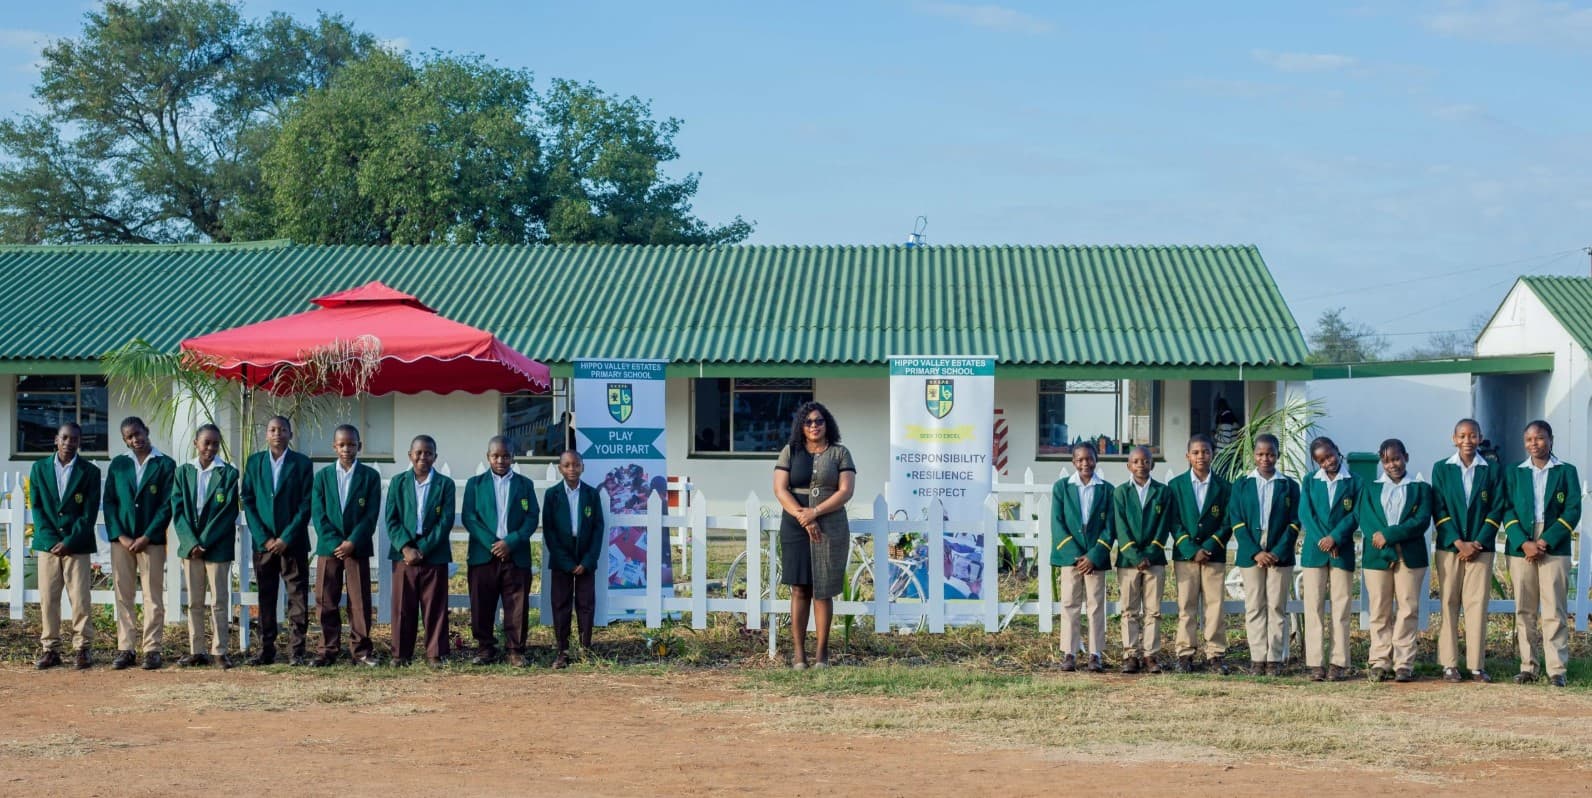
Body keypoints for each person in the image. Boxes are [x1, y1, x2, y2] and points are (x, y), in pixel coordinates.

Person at [772, 401, 856, 670]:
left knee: (823, 588)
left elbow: (845, 491)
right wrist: (803, 517)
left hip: (830, 524)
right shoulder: (790, 452)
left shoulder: (840, 453)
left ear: (826, 424)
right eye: (808, 422)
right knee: (799, 588)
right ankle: (799, 654)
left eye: (819, 421)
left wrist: (816, 512)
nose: (814, 426)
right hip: (795, 525)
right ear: (801, 426)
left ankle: (822, 654)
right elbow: (780, 489)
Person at [1503, 420, 1579, 687]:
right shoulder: (1514, 472)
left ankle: (1556, 670)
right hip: (1521, 544)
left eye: (1540, 438)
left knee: (1554, 607)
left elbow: (1573, 509)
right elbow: (1506, 508)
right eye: (1529, 439)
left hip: (1554, 544)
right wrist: (1524, 543)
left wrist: (1545, 540)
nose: (1534, 443)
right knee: (1524, 608)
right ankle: (1528, 667)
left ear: (1550, 439)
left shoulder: (1566, 471)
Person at [1431, 418, 1506, 683]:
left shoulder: (1492, 469)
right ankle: (1449, 664)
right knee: (1449, 603)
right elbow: (1438, 507)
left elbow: (1497, 507)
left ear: (1480, 438)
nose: (1467, 441)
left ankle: (1476, 666)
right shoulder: (1441, 468)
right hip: (1450, 548)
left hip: (1480, 549)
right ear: (1454, 439)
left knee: (1476, 605)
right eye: (1462, 436)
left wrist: (1477, 542)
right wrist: (1457, 541)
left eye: (1472, 436)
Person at [103, 416, 176, 671]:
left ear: (146, 430)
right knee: (123, 594)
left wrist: (147, 535)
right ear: (125, 440)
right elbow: (109, 502)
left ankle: (152, 649)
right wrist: (121, 536)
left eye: (138, 433)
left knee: (152, 595)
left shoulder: (165, 464)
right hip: (122, 541)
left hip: (150, 541)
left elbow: (167, 504)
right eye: (129, 437)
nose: (136, 439)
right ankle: (126, 648)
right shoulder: (119, 464)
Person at [241, 415, 314, 666]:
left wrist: (286, 537)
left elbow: (306, 503)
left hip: (293, 543)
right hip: (264, 545)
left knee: (297, 598)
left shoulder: (301, 463)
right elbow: (248, 499)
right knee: (266, 597)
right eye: (272, 429)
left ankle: (297, 651)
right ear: (266, 434)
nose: (277, 434)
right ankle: (266, 650)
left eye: (282, 430)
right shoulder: (255, 462)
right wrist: (264, 537)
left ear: (290, 434)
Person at [1357, 439, 1432, 682]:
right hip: (1377, 556)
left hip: (1410, 555)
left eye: (1397, 459)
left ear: (1406, 457)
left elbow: (1420, 521)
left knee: (1408, 608)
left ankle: (1404, 663)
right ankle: (1380, 661)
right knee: (1379, 608)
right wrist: (1386, 548)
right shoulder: (1370, 489)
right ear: (1382, 462)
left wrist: (1389, 536)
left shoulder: (1420, 489)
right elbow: (1366, 520)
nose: (1392, 465)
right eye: (1387, 461)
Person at [30, 422, 102, 670]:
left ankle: (82, 648)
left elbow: (89, 513)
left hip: (77, 545)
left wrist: (69, 542)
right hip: (48, 546)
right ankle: (50, 649)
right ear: (56, 439)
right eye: (65, 438)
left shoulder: (89, 472)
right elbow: (37, 508)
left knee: (80, 598)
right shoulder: (39, 468)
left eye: (74, 439)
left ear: (80, 442)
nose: (69, 443)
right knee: (48, 598)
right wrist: (52, 541)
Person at [462, 436, 539, 666]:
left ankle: (515, 650)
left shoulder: (525, 485)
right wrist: (494, 544)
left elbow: (532, 517)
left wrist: (511, 542)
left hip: (515, 554)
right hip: (484, 554)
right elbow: (469, 518)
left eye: (506, 456)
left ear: (513, 457)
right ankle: (485, 648)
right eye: (495, 456)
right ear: (488, 457)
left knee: (517, 604)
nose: (500, 460)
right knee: (482, 604)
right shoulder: (475, 484)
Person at [310, 424, 381, 667]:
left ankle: (361, 651)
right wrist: (334, 543)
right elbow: (318, 514)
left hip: (356, 548)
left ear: (359, 446)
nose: (346, 449)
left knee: (359, 601)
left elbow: (370, 515)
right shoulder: (322, 477)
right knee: (325, 599)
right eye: (342, 444)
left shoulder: (370, 477)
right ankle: (327, 650)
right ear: (334, 446)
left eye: (351, 444)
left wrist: (352, 542)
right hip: (329, 548)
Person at [170, 424, 240, 669]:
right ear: (195, 443)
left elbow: (227, 512)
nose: (210, 448)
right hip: (191, 549)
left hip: (217, 547)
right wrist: (192, 543)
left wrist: (205, 541)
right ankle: (197, 650)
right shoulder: (183, 472)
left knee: (219, 600)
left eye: (215, 443)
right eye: (206, 443)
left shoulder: (228, 473)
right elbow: (177, 511)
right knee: (194, 601)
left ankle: (220, 650)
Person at [1231, 433, 1300, 676]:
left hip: (1280, 556)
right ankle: (1258, 658)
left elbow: (1294, 522)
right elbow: (1236, 520)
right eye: (1260, 454)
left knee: (1276, 607)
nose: (1265, 458)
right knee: (1254, 606)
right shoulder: (1242, 484)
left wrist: (1277, 552)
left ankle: (1274, 659)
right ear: (1254, 455)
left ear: (1277, 455)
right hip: (1251, 556)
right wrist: (1256, 552)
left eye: (1270, 454)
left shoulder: (1289, 486)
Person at [386, 435, 457, 667]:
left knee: (434, 604)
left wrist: (423, 549)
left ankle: (435, 653)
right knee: (402, 606)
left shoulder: (445, 484)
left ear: (435, 457)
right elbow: (391, 520)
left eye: (428, 453)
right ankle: (400, 654)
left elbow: (445, 521)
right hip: (403, 554)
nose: (423, 457)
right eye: (418, 452)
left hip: (433, 552)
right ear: (410, 455)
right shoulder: (398, 482)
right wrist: (406, 548)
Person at [1169, 433, 1233, 675]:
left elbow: (1227, 521)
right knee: (1186, 605)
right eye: (1195, 452)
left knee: (1215, 605)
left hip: (1213, 555)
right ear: (1187, 456)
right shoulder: (1176, 486)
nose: (1200, 456)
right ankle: (1185, 653)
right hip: (1186, 556)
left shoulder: (1224, 487)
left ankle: (1215, 653)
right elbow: (1174, 521)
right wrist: (1192, 549)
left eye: (1205, 451)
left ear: (1212, 454)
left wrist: (1209, 546)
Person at [1299, 436, 1360, 682]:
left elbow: (1355, 514)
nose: (1328, 462)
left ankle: (1338, 662)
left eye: (1330, 455)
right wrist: (1323, 540)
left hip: (1341, 550)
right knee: (1313, 607)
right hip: (1315, 552)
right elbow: (1306, 514)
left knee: (1341, 607)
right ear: (1316, 462)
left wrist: (1335, 537)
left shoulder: (1354, 481)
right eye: (1321, 460)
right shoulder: (1309, 481)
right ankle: (1316, 663)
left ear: (1337, 450)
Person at [1049, 442, 1112, 672]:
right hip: (1071, 557)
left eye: (1089, 458)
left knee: (1096, 605)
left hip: (1095, 558)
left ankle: (1095, 654)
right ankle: (1070, 652)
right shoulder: (1062, 487)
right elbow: (1057, 523)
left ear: (1096, 459)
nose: (1085, 463)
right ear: (1073, 462)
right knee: (1070, 603)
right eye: (1080, 459)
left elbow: (1110, 527)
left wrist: (1093, 555)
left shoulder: (1107, 489)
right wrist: (1077, 556)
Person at [542, 450, 605, 668]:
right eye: (567, 465)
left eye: (576, 465)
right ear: (560, 468)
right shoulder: (552, 495)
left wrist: (587, 561)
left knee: (586, 604)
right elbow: (549, 531)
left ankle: (585, 648)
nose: (572, 469)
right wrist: (566, 562)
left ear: (582, 467)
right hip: (562, 556)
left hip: (585, 554)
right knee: (561, 604)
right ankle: (563, 650)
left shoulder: (591, 494)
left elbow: (598, 529)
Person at [1112, 446, 1170, 674]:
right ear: (1129, 465)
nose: (1141, 465)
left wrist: (1150, 554)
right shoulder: (1120, 492)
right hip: (1128, 561)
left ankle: (1150, 655)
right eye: (1136, 461)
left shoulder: (1162, 492)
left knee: (1153, 610)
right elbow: (1120, 527)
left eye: (1145, 461)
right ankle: (1130, 655)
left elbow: (1163, 526)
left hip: (1154, 560)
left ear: (1152, 464)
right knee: (1129, 610)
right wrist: (1135, 555)